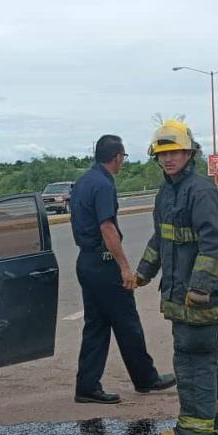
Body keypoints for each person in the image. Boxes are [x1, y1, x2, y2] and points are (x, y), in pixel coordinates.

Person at [134, 119, 218, 435]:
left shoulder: (200, 191)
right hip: (179, 297)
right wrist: (144, 272)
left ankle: (194, 432)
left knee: (192, 362)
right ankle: (211, 419)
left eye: (176, 152)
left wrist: (200, 285)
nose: (169, 158)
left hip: (199, 298)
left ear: (190, 153)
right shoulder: (167, 192)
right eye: (163, 153)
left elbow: (216, 242)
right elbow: (162, 237)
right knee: (202, 358)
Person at [70, 134, 176, 404]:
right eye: (124, 157)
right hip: (104, 264)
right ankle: (146, 379)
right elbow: (107, 227)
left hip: (86, 262)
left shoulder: (83, 181)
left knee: (96, 325)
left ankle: (87, 386)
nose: (123, 162)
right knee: (127, 322)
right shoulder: (103, 185)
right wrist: (125, 268)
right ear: (117, 156)